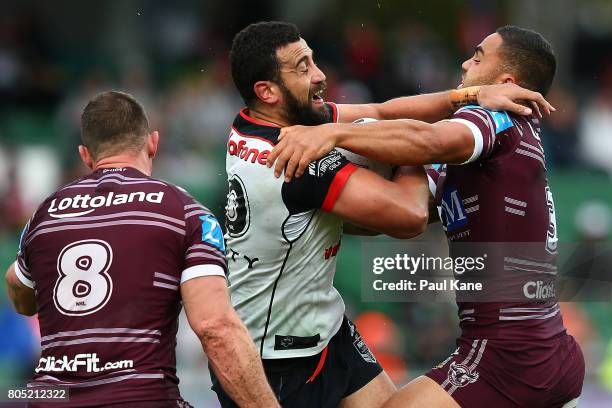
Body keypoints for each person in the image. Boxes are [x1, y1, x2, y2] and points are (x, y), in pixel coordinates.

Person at [219, 21, 556, 408]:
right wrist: (411, 152)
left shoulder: (265, 120)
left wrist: (471, 95)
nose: (320, 75)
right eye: (302, 67)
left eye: (313, 60)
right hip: (280, 358)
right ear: (268, 90)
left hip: (327, 331)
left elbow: (380, 110)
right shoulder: (293, 161)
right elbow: (410, 215)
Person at [4, 91, 279, 408]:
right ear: (153, 143)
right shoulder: (186, 213)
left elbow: (19, 292)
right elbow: (215, 327)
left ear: (85, 155)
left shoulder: (45, 214)